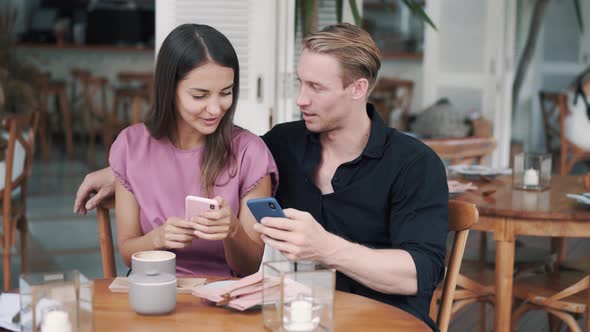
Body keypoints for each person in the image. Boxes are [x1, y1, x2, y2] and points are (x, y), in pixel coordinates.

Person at [75, 23, 448, 330]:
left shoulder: (415, 164)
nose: (300, 99)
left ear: (358, 88)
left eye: (315, 88)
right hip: (296, 317)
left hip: (380, 321)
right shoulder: (282, 144)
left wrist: (326, 248)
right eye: (299, 83)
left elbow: (421, 273)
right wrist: (121, 170)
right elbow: (206, 155)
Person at [103, 24, 278, 277]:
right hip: (154, 288)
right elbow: (128, 254)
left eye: (226, 93)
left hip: (224, 298)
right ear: (169, 90)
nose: (216, 109)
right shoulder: (131, 146)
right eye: (200, 95)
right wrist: (158, 238)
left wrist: (233, 230)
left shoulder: (250, 153)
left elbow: (249, 267)